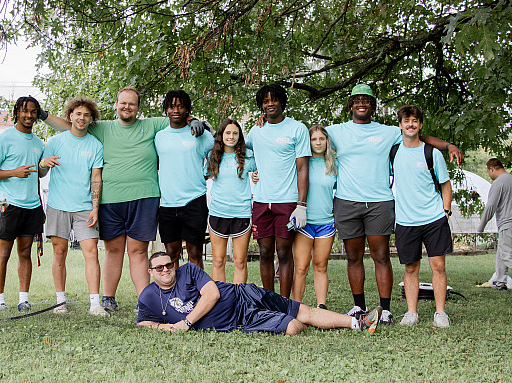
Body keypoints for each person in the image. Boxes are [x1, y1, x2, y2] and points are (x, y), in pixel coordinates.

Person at [40, 87, 205, 312]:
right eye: (123, 103)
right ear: (116, 105)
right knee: (113, 250)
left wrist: (195, 121)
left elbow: (176, 116)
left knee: (138, 251)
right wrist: (43, 115)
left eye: (132, 104)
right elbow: (70, 125)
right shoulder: (103, 128)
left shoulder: (152, 125)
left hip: (144, 198)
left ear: (138, 107)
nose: (127, 107)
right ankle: (108, 297)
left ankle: (143, 301)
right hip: (111, 199)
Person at [325, 84, 463, 324]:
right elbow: (311, 137)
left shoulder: (388, 131)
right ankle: (358, 306)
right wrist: (267, 122)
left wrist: (448, 145)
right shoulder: (336, 131)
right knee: (353, 257)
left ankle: (385, 309)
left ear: (373, 106)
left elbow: (419, 137)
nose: (362, 104)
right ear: (350, 105)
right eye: (357, 100)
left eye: (366, 100)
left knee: (381, 256)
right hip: (347, 201)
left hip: (380, 202)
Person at [136, 252, 382, 334]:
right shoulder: (148, 296)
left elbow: (212, 295)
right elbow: (142, 322)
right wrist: (160, 327)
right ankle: (304, 322)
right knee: (293, 327)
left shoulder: (188, 270)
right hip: (241, 321)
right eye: (160, 267)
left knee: (301, 309)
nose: (167, 270)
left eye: (170, 265)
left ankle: (358, 322)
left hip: (244, 296)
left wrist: (185, 323)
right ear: (150, 271)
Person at [38, 97, 107, 316]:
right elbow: (41, 172)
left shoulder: (95, 145)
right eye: (78, 114)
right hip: (58, 205)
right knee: (59, 253)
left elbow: (96, 178)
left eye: (86, 115)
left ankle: (95, 303)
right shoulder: (55, 142)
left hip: (85, 207)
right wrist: (42, 165)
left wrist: (95, 207)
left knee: (91, 253)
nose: (82, 118)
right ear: (70, 116)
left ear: (91, 119)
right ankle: (60, 301)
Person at [245, 84, 311, 298]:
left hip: (287, 201)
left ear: (282, 101)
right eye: (265, 101)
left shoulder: (297, 129)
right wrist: (253, 170)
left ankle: (283, 302)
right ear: (261, 105)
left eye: (274, 99)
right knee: (264, 252)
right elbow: (237, 146)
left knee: (284, 253)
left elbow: (302, 168)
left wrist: (301, 205)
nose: (270, 104)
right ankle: (269, 301)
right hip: (262, 201)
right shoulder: (256, 131)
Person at [392, 105, 453, 328]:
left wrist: (445, 212)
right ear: (400, 125)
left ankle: (440, 313)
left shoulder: (432, 153)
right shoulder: (394, 152)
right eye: (406, 121)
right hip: (406, 221)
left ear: (420, 125)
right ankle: (411, 312)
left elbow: (446, 185)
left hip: (434, 219)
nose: (410, 124)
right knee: (410, 268)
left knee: (438, 266)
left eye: (415, 121)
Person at [0, 96, 45, 312]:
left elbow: (38, 174)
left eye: (33, 112)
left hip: (32, 206)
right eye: (25, 111)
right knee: (4, 252)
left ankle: (23, 300)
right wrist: (14, 172)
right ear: (16, 113)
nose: (29, 115)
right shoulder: (4, 139)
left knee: (25, 253)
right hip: (9, 204)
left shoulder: (39, 143)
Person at [155, 90, 215, 269]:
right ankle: (174, 294)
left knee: (194, 253)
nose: (176, 110)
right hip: (167, 203)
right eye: (172, 106)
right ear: (166, 109)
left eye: (181, 106)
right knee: (171, 254)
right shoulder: (159, 136)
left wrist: (206, 172)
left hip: (194, 200)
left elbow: (216, 153)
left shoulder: (201, 134)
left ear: (188, 109)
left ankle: (197, 294)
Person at [205, 119, 256, 284]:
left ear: (240, 136)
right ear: (221, 135)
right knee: (218, 260)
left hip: (241, 213)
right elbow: (202, 174)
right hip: (218, 212)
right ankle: (221, 302)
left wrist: (257, 174)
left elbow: (262, 170)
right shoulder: (212, 156)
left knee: (239, 261)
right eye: (228, 133)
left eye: (235, 133)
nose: (231, 136)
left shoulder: (248, 156)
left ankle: (238, 301)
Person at [292, 125, 337, 306]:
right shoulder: (302, 163)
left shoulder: (334, 165)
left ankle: (321, 306)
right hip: (304, 223)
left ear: (327, 141)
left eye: (321, 139)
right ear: (308, 142)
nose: (318, 143)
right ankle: (296, 307)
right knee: (301, 268)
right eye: (314, 139)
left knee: (320, 266)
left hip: (326, 223)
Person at [478, 158, 512, 291]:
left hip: (507, 223)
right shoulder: (510, 178)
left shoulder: (499, 182)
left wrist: (481, 226)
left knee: (506, 254)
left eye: (488, 172)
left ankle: (501, 281)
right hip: (508, 224)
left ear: (492, 168)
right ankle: (500, 281)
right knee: (501, 253)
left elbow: (491, 206)